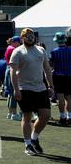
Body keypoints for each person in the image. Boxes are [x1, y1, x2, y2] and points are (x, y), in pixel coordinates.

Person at [10, 28, 54, 156]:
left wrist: (51, 86)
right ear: (22, 38)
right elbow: (12, 72)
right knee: (27, 116)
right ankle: (27, 144)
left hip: (40, 88)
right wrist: (16, 89)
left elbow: (47, 68)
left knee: (45, 115)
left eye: (32, 36)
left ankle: (34, 138)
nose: (30, 38)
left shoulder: (41, 50)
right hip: (24, 88)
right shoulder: (18, 51)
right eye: (27, 36)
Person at [49, 32, 71, 125]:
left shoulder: (54, 52)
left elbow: (51, 65)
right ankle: (70, 116)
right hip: (69, 75)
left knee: (60, 97)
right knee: (69, 97)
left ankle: (62, 116)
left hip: (58, 76)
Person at [4, 36, 22, 121]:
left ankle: (10, 113)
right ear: (15, 42)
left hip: (8, 69)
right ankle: (14, 114)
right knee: (13, 93)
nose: (20, 44)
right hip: (11, 70)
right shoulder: (13, 49)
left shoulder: (9, 47)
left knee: (10, 94)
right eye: (19, 42)